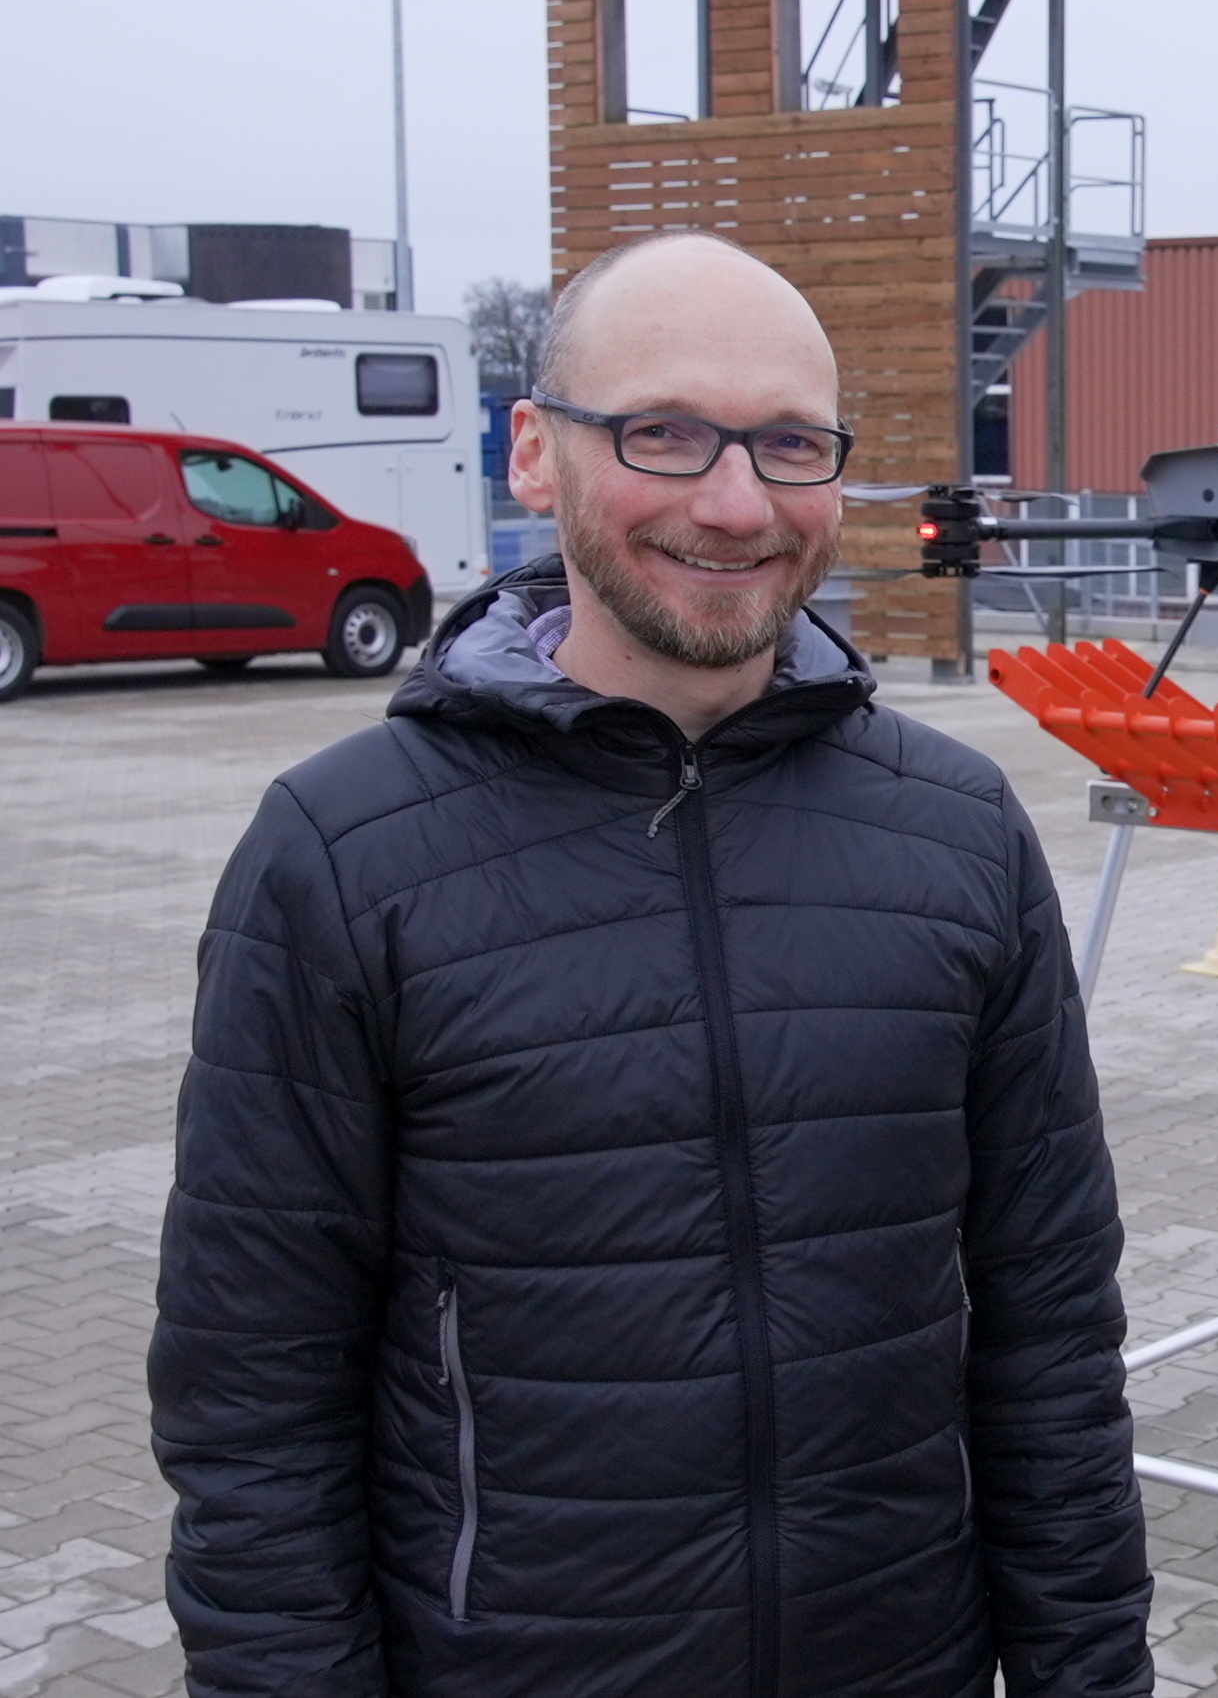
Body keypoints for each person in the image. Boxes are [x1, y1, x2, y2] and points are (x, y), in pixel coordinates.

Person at [150, 231, 1153, 1697]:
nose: (736, 503)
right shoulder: (343, 854)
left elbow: (1050, 1328)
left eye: (790, 444)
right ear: (534, 454)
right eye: (664, 433)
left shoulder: (957, 830)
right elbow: (253, 1399)